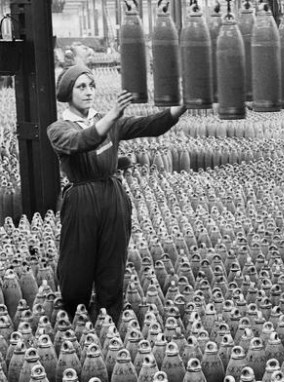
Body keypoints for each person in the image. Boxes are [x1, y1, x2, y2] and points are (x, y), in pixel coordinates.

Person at [48, 65, 187, 323]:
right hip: (81, 200)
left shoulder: (108, 121)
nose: (89, 92)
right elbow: (82, 141)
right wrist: (112, 116)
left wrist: (179, 108)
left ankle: (109, 322)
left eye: (91, 86)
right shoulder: (59, 128)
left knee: (113, 264)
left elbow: (148, 125)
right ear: (68, 92)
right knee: (76, 265)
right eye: (81, 87)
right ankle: (74, 320)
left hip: (112, 196)